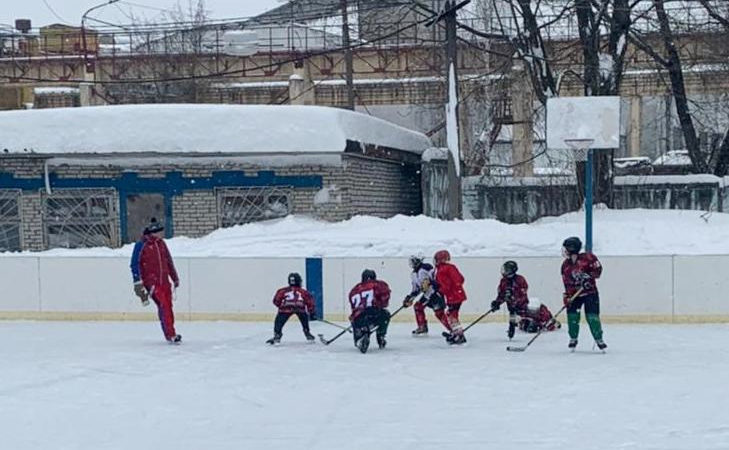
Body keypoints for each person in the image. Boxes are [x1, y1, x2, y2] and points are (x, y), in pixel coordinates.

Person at [131, 218, 181, 344]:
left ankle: (171, 332)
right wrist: (138, 282)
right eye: (159, 232)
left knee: (168, 306)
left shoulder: (161, 244)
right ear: (153, 232)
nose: (161, 235)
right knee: (163, 305)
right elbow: (134, 264)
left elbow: (168, 261)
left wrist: (174, 277)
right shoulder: (141, 245)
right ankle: (170, 334)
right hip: (151, 282)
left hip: (164, 281)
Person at [490, 261, 559, 339]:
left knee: (541, 311)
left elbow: (523, 294)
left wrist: (513, 298)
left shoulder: (520, 279)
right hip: (513, 310)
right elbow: (501, 295)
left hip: (523, 307)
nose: (504, 272)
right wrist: (496, 303)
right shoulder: (503, 281)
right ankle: (521, 326)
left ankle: (550, 322)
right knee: (528, 326)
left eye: (506, 270)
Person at [561, 236, 606, 351]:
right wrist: (567, 296)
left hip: (590, 293)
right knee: (572, 316)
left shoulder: (589, 258)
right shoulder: (565, 265)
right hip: (575, 295)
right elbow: (566, 283)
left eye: (566, 248)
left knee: (592, 316)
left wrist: (589, 278)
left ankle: (598, 338)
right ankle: (573, 338)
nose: (565, 251)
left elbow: (598, 271)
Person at [402, 255, 451, 336]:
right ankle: (422, 327)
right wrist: (410, 298)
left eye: (414, 262)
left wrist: (431, 283)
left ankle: (452, 329)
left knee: (439, 313)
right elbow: (416, 289)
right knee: (418, 307)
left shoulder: (426, 267)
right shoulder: (413, 274)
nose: (413, 264)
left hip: (435, 293)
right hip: (427, 294)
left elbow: (436, 277)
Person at [348, 269, 391, 353]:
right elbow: (384, 300)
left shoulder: (354, 290)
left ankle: (359, 338)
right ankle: (380, 336)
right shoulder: (378, 284)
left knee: (355, 320)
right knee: (385, 314)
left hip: (359, 317)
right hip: (374, 313)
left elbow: (353, 307)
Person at [266, 272, 317, 345]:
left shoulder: (283, 290)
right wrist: (312, 312)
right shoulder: (303, 292)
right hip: (300, 308)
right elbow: (310, 302)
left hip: (285, 308)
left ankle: (277, 335)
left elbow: (276, 301)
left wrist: (282, 305)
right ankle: (307, 333)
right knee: (304, 319)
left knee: (279, 321)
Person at [434, 250, 467, 345]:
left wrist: (439, 291)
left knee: (451, 315)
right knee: (452, 314)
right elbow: (461, 279)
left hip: (453, 296)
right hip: (457, 295)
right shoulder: (451, 267)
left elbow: (446, 285)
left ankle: (459, 335)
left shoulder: (442, 270)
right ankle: (456, 333)